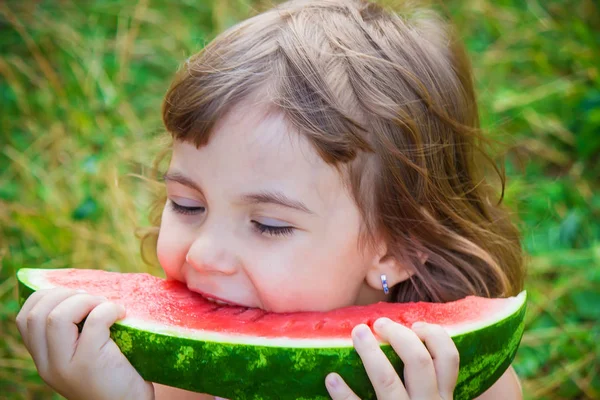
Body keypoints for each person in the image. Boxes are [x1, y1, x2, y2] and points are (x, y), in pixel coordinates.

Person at [16, 0, 526, 398]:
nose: (202, 255)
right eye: (187, 205)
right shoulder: (179, 374)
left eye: (268, 224)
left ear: (397, 246)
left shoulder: (471, 387)